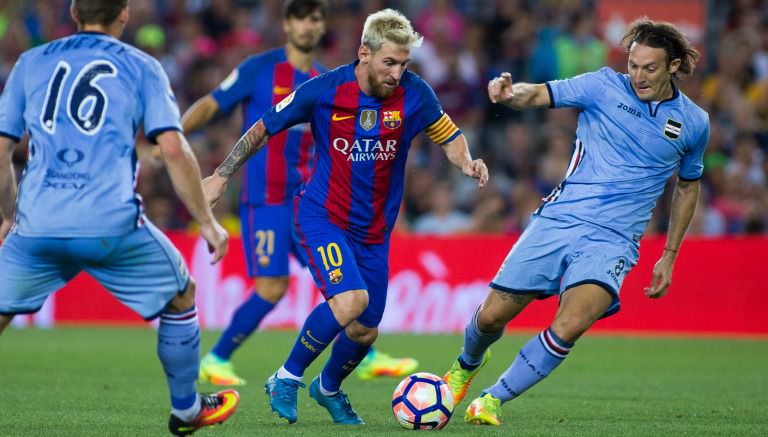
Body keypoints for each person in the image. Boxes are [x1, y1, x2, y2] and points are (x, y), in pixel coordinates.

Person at [203, 8, 488, 425]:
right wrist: (222, 173)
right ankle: (286, 376)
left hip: (374, 232)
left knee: (364, 331)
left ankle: (328, 388)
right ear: (364, 53)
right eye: (390, 62)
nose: (397, 73)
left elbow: (448, 135)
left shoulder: (416, 93)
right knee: (351, 301)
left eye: (404, 64)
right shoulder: (324, 89)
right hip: (322, 216)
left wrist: (466, 162)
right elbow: (264, 126)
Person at [441, 17, 709, 426]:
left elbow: (687, 188)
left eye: (649, 68)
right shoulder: (602, 85)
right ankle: (466, 365)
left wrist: (669, 255)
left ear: (673, 66)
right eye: (633, 65)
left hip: (615, 240)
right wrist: (512, 93)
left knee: (572, 323)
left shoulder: (694, 123)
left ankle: (491, 400)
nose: (637, 76)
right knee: (492, 317)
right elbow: (541, 94)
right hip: (559, 219)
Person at [0, 1, 239, 435]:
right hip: (110, 224)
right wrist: (206, 220)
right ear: (124, 14)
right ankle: (186, 410)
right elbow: (171, 147)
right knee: (181, 294)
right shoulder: (142, 66)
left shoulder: (29, 63)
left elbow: (1, 153)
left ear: (74, 12)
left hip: (36, 226)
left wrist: (6, 217)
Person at [182, 0, 417, 387]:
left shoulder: (333, 80)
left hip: (316, 203)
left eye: (317, 19)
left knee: (344, 285)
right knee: (274, 287)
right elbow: (213, 104)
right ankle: (216, 358)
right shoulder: (259, 68)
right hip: (268, 197)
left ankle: (367, 353)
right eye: (302, 19)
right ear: (287, 24)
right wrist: (173, 134)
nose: (310, 26)